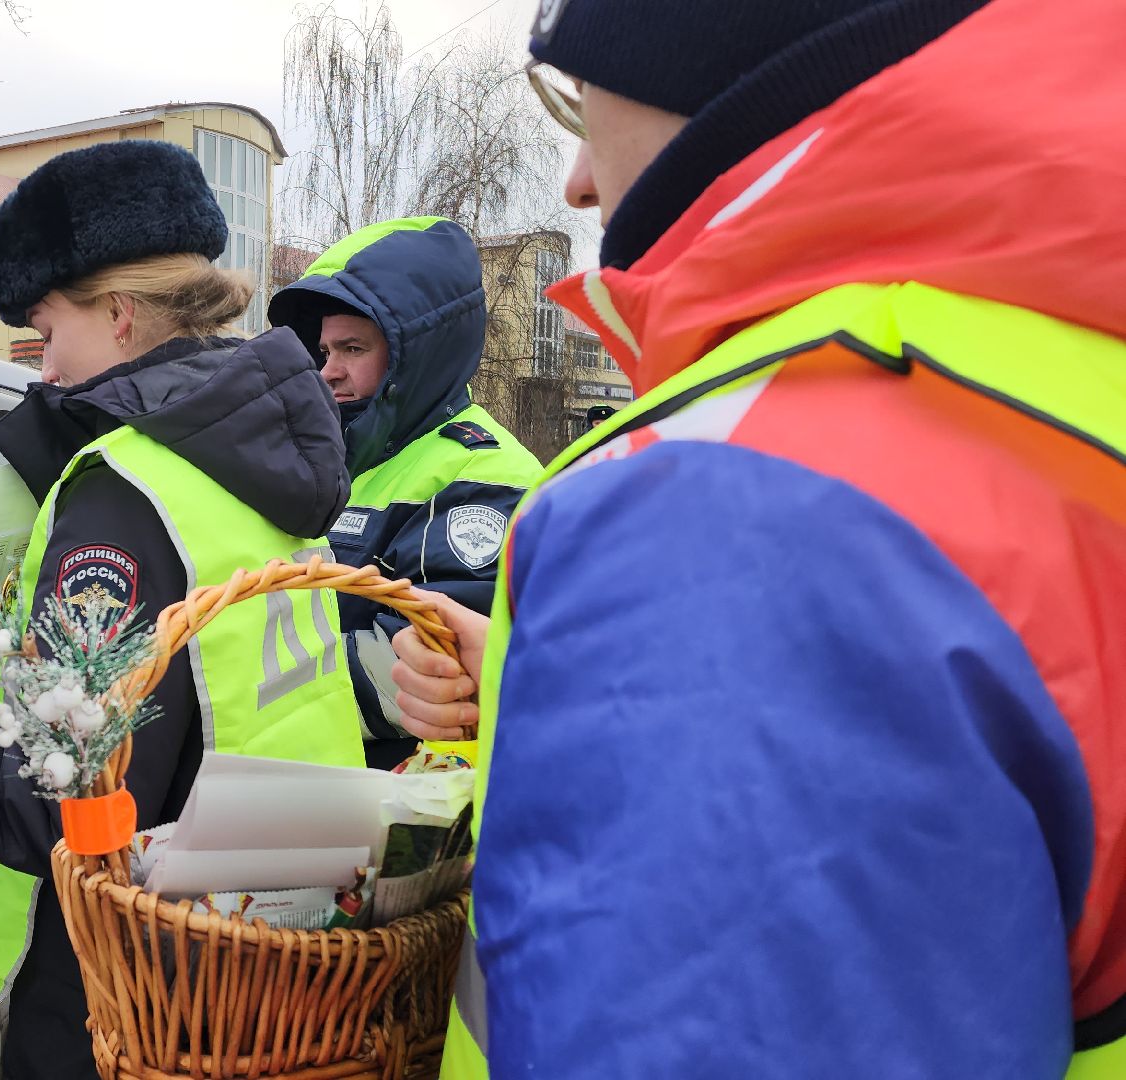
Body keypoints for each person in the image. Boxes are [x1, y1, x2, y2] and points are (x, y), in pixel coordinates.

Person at [394, 0, 1126, 1075]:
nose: (578, 183)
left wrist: (647, 637)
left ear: (726, 77)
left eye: (578, 104)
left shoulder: (731, 510)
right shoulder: (1048, 369)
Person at [0, 141, 366, 1079]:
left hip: (133, 980)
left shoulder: (123, 497)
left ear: (120, 313)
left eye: (46, 334)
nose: (43, 372)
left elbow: (59, 804)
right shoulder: (251, 464)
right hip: (267, 942)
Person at [266, 218, 541, 769]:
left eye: (352, 348)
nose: (329, 373)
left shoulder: (481, 470)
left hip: (408, 810)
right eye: (323, 351)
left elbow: (426, 673)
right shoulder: (348, 461)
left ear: (416, 354)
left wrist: (240, 684)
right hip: (317, 787)